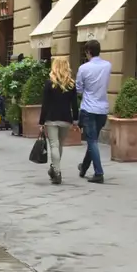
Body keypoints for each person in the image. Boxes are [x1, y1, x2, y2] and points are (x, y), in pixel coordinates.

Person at [75, 40, 112, 183]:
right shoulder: (108, 66)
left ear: (88, 52)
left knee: (92, 141)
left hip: (89, 108)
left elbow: (78, 88)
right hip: (102, 109)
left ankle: (99, 173)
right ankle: (83, 167)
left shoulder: (83, 68)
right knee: (93, 141)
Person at [39, 57, 79, 185]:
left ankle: (57, 171)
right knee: (59, 145)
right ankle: (54, 168)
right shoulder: (71, 84)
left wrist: (41, 122)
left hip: (51, 119)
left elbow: (45, 104)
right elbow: (74, 104)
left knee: (54, 145)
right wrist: (76, 120)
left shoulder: (49, 83)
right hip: (66, 119)